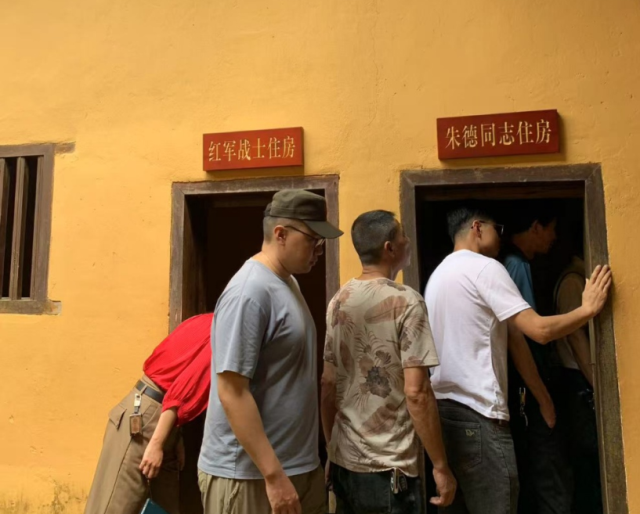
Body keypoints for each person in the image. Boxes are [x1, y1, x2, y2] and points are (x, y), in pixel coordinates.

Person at [423, 205, 611, 514]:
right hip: (480, 414)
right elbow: (538, 331)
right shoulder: (485, 268)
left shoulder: (438, 277)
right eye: (496, 229)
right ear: (477, 228)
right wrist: (587, 310)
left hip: (444, 415)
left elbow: (515, 339)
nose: (502, 237)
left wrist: (543, 399)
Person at [197, 189, 343, 514]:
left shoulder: (287, 282)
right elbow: (231, 391)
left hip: (296, 468)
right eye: (313, 240)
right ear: (280, 234)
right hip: (251, 476)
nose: (319, 250)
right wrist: (274, 475)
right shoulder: (249, 292)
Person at [321, 210, 456, 514]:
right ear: (389, 247)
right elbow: (417, 393)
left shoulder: (339, 300)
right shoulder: (407, 302)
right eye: (403, 235)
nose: (408, 240)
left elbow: (327, 382)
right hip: (388, 471)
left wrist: (332, 448)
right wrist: (440, 465)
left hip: (344, 465)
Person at [85, 313, 214, 514]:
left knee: (163, 509)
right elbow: (180, 392)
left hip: (162, 416)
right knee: (114, 508)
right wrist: (156, 443)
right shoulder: (224, 330)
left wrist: (175, 435)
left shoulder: (206, 320)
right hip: (149, 414)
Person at [502, 203, 572, 514]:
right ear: (535, 227)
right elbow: (530, 334)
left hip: (522, 385)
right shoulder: (516, 265)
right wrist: (543, 396)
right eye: (551, 229)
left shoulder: (512, 262)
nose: (554, 237)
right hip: (529, 384)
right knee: (547, 465)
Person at [555, 256, 602, 514]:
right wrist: (596, 384)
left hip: (580, 379)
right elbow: (575, 335)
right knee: (588, 465)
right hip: (579, 381)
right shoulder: (573, 281)